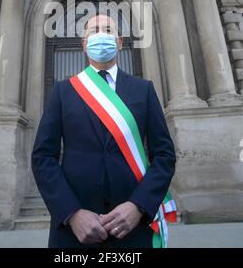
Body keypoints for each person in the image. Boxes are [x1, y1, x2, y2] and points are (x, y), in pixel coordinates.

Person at [32, 14, 176, 248]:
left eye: (108, 30)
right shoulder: (63, 91)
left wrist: (138, 206)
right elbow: (43, 157)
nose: (101, 35)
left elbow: (164, 156)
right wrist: (71, 213)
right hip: (74, 231)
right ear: (84, 44)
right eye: (93, 31)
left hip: (133, 228)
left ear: (119, 42)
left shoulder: (144, 90)